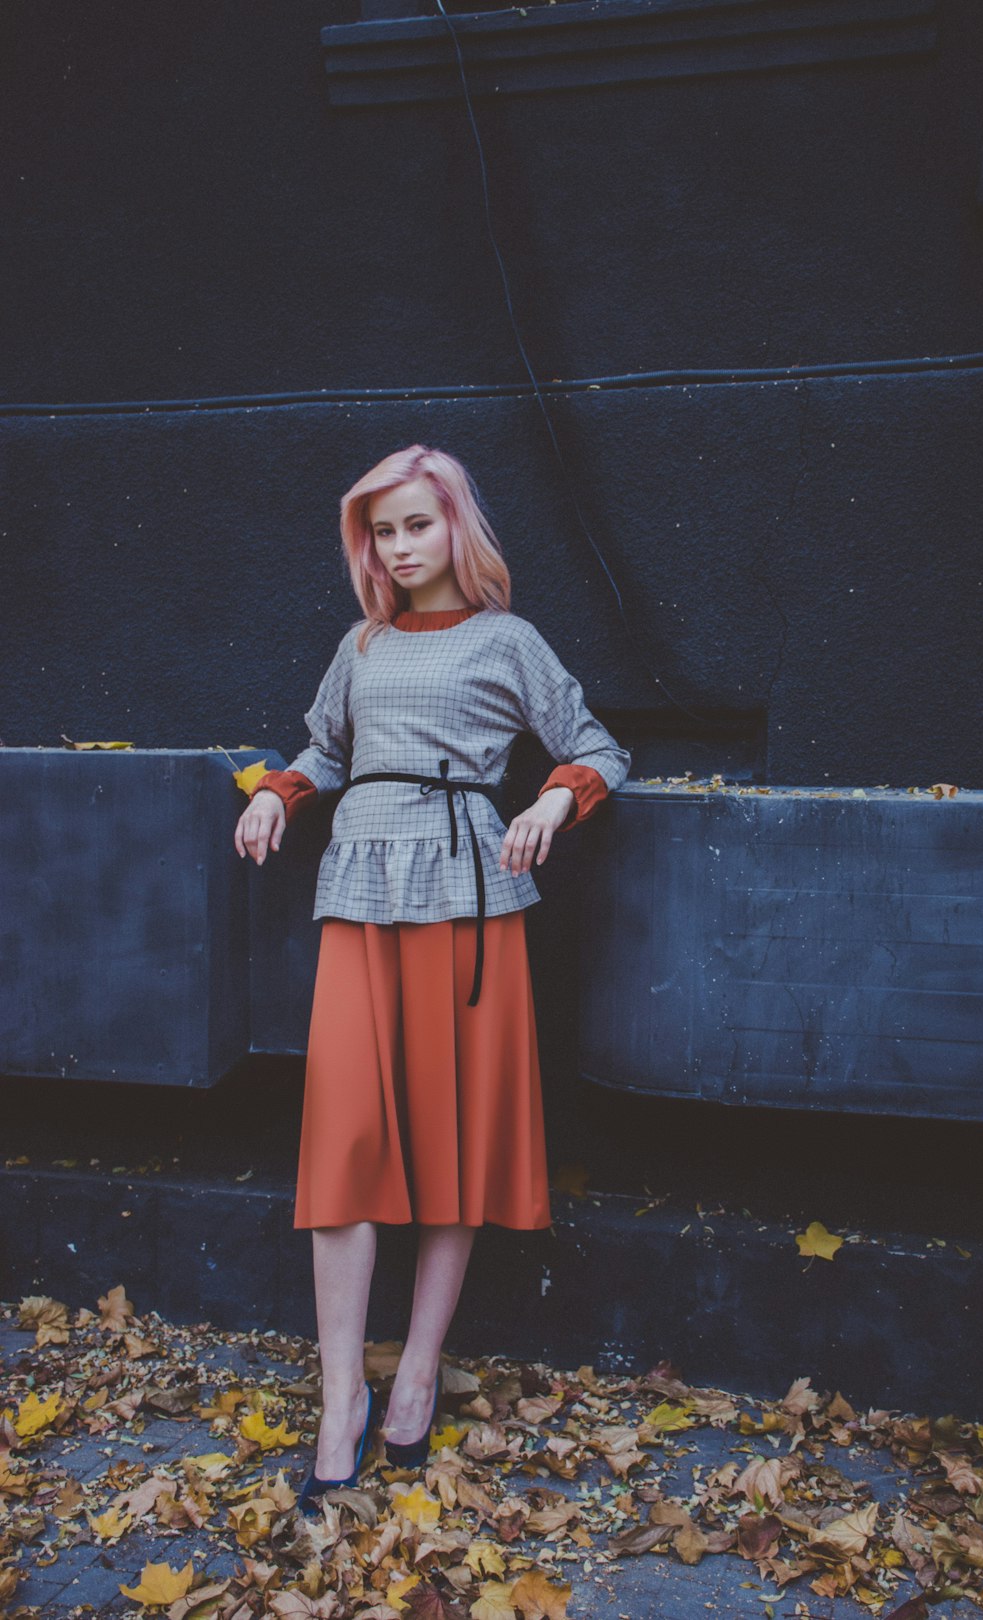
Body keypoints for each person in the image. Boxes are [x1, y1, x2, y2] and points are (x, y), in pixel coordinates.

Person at [233, 444, 630, 1513]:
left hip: (467, 898)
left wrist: (552, 800)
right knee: (346, 1142)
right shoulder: (360, 643)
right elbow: (323, 748)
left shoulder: (510, 641)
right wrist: (277, 792)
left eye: (417, 524)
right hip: (359, 898)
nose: (399, 548)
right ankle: (336, 1402)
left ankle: (414, 1372)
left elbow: (598, 744)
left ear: (457, 525)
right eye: (382, 532)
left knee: (451, 1137)